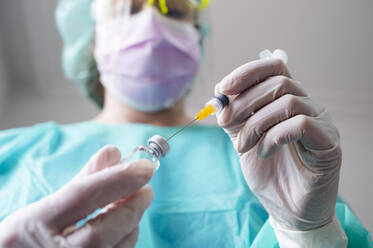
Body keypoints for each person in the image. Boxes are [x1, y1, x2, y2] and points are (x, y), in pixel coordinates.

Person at [0, 0, 371, 247]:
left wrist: (308, 234)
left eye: (174, 11)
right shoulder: (13, 152)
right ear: (91, 39)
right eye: (129, 7)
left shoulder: (272, 155)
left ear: (198, 39)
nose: (151, 22)